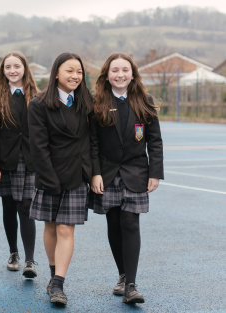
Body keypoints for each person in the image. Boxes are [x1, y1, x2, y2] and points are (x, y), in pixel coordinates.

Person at [90, 52, 164, 304]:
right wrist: (95, 173)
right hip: (107, 174)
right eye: (115, 70)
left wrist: (155, 172)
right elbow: (92, 142)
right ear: (107, 75)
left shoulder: (145, 101)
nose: (120, 74)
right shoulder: (96, 101)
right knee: (114, 225)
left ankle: (131, 285)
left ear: (132, 74)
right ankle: (122, 274)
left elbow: (155, 141)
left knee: (130, 224)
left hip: (136, 173)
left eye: (125, 70)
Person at [28, 52, 92, 306]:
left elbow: (92, 140)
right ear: (56, 73)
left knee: (66, 228)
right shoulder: (39, 104)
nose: (75, 76)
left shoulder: (87, 102)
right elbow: (38, 146)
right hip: (50, 175)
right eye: (69, 71)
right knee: (51, 226)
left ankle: (58, 283)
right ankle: (53, 270)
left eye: (79, 72)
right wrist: (49, 178)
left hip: (77, 175)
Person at [0, 51, 39, 279]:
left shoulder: (37, 96)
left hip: (29, 162)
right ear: (3, 70)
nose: (13, 70)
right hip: (5, 162)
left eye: (17, 66)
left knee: (26, 208)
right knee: (8, 208)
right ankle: (13, 253)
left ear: (25, 68)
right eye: (8, 67)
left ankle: (29, 260)